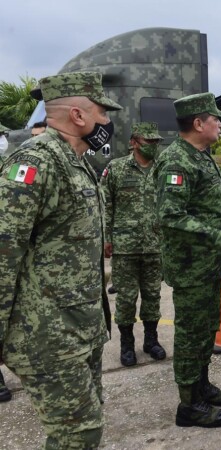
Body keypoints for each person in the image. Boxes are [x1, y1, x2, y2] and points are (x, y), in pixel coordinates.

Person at [0, 71, 119, 448]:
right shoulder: (37, 162)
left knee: (87, 424)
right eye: (102, 113)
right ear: (78, 116)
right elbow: (3, 251)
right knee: (76, 437)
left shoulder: (76, 162)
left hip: (79, 329)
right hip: (47, 336)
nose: (107, 122)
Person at [154, 92, 221, 428]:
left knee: (205, 329)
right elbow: (170, 217)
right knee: (190, 335)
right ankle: (189, 406)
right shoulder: (176, 161)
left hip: (208, 266)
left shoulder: (200, 155)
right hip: (191, 268)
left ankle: (202, 386)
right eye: (215, 119)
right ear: (198, 123)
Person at [101, 122, 166, 367]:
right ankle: (126, 345)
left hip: (155, 245)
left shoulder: (162, 169)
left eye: (156, 142)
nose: (153, 146)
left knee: (152, 296)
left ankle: (151, 341)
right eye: (148, 142)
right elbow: (106, 206)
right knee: (126, 300)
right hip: (125, 247)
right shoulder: (116, 168)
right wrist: (107, 238)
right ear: (134, 142)